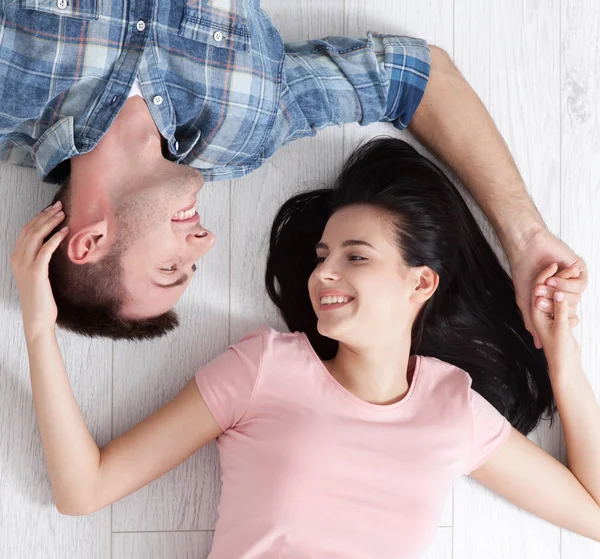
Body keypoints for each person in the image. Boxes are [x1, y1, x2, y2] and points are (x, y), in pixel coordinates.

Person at [10, 139, 600, 559]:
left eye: (355, 256)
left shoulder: (454, 412)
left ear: (420, 282)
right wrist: (39, 327)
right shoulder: (266, 369)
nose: (324, 274)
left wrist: (563, 361)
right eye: (323, 257)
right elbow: (83, 490)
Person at [0, 1, 586, 343]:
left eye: (172, 265)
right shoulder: (244, 132)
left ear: (91, 241)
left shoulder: (9, 99)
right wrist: (527, 240)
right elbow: (418, 78)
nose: (204, 240)